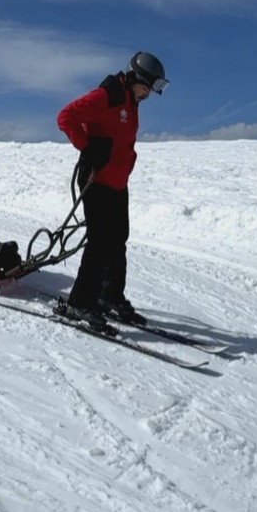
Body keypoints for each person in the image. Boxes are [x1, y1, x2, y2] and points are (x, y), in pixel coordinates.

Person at [55, 51, 169, 328]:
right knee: (98, 242)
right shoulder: (108, 95)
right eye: (147, 88)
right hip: (96, 181)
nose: (148, 95)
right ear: (133, 78)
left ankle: (109, 297)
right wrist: (87, 146)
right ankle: (80, 303)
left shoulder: (130, 100)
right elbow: (65, 116)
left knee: (117, 240)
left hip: (117, 183)